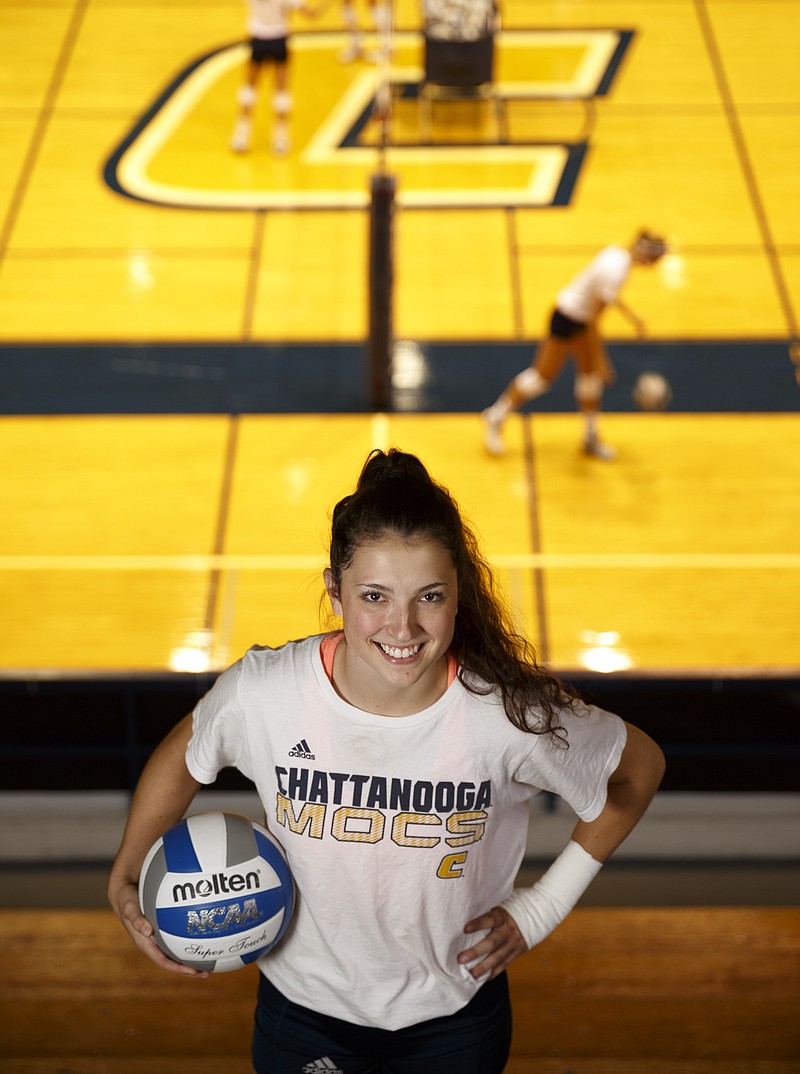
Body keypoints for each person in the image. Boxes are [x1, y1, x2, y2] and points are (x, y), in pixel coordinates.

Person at [108, 448, 665, 1074]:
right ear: (335, 593)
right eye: (374, 595)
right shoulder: (267, 692)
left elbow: (637, 770)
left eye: (430, 596)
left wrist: (542, 908)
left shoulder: (505, 713)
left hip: (454, 1016)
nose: (402, 628)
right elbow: (188, 749)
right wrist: (126, 872)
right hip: (304, 1009)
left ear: (460, 594)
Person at [482, 230, 669, 460]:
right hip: (568, 319)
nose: (654, 265)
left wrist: (632, 317)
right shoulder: (617, 271)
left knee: (589, 379)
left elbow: (604, 298)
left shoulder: (617, 253)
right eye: (656, 260)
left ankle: (590, 436)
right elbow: (592, 321)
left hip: (578, 318)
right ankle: (495, 416)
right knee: (542, 378)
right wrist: (602, 360)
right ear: (648, 255)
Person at [230, 0, 321, 156]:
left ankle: (241, 136)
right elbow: (310, 14)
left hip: (257, 39)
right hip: (279, 41)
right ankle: (280, 140)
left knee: (250, 87)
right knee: (281, 90)